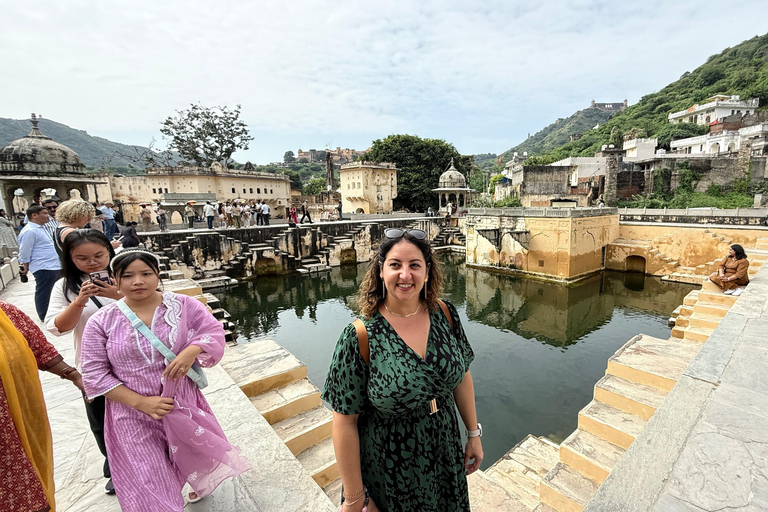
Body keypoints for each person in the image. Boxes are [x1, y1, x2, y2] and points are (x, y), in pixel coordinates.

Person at [322, 228, 482, 512]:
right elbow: (344, 422)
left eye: (415, 265)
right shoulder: (360, 336)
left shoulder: (445, 314)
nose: (405, 275)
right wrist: (356, 497)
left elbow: (462, 376)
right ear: (381, 271)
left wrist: (473, 434)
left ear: (428, 271)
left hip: (444, 450)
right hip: (391, 465)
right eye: (395, 265)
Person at [81, 250, 250, 511]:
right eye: (128, 276)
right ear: (115, 280)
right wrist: (141, 403)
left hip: (181, 403)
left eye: (146, 274)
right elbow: (94, 374)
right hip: (132, 413)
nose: (138, 281)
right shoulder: (101, 322)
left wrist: (191, 350)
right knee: (149, 477)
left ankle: (190, 484)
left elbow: (211, 331)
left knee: (188, 458)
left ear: (157, 275)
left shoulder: (183, 305)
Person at [44, 230, 120, 495]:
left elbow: (158, 307)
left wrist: (117, 294)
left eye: (98, 255)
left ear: (109, 252)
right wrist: (79, 301)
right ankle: (115, 467)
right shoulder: (64, 286)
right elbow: (57, 328)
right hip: (94, 364)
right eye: (82, 258)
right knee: (101, 419)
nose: (92, 263)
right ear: (70, 259)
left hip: (135, 361)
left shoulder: (128, 274)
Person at [1, 300, 85, 512]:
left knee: (27, 487)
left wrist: (74, 375)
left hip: (16, 429)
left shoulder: (6, 311)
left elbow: (39, 348)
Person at [18, 205, 61, 321]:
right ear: (34, 215)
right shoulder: (29, 231)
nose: (48, 216)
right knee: (44, 291)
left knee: (55, 290)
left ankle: (54, 312)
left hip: (53, 264)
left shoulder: (41, 229)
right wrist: (25, 266)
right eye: (45, 213)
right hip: (43, 266)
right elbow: (25, 251)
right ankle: (44, 315)